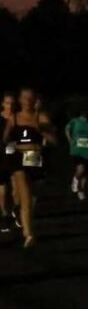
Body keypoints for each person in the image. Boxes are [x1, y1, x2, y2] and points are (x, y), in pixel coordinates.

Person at [3, 87, 57, 248]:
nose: (27, 101)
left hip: (34, 156)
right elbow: (5, 139)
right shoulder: (14, 118)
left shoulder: (41, 117)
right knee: (25, 195)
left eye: (30, 98)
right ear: (20, 100)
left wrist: (41, 130)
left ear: (35, 100)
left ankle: (20, 214)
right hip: (19, 157)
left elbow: (55, 141)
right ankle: (28, 234)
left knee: (33, 196)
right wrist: (11, 147)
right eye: (24, 98)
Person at [65, 103, 88, 201]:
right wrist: (70, 140)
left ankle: (81, 191)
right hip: (77, 150)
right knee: (81, 169)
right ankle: (75, 180)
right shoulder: (75, 121)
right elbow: (67, 129)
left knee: (86, 175)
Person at [0, 91, 17, 234]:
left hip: (17, 157)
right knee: (3, 190)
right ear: (2, 104)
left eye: (12, 103)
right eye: (7, 103)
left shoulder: (19, 118)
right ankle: (5, 216)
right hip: (1, 158)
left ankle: (15, 211)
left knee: (17, 189)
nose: (10, 106)